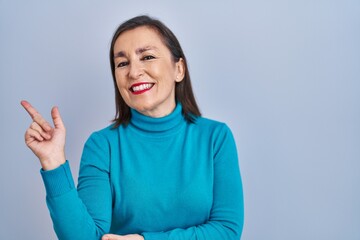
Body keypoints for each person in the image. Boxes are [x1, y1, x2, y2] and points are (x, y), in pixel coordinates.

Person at [21, 15, 244, 240]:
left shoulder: (216, 137)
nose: (134, 72)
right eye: (122, 63)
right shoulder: (102, 146)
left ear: (179, 69)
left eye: (147, 57)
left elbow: (227, 230)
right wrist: (53, 163)